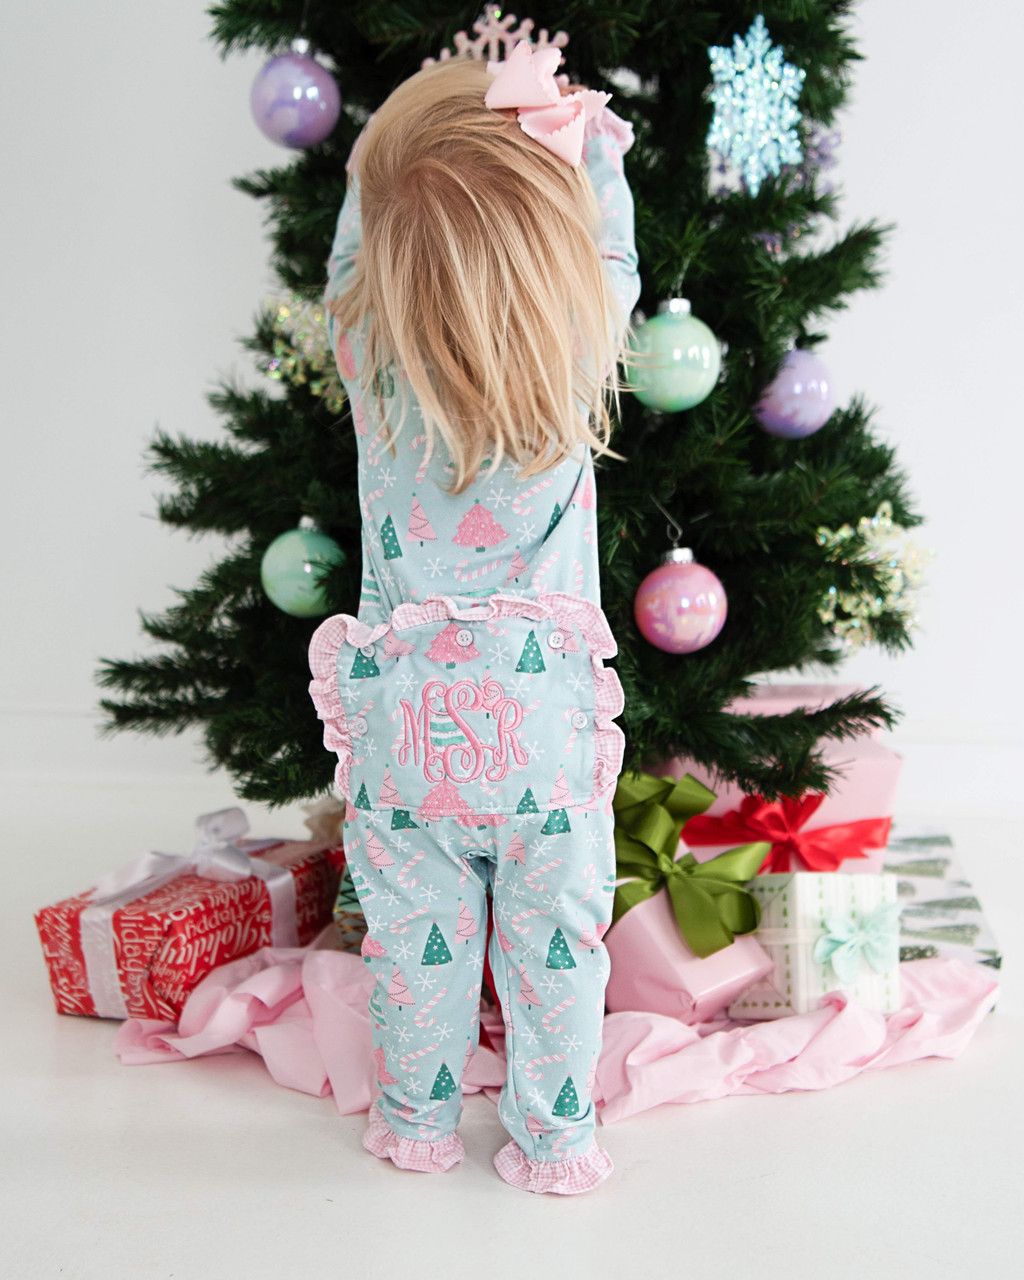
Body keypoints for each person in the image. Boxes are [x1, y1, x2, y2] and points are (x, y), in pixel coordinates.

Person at [307, 44, 640, 1195]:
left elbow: (358, 243)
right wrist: (584, 141)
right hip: (542, 736)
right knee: (558, 950)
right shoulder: (579, 342)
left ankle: (416, 1124)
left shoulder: (369, 356)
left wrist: (379, 165)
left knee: (416, 942)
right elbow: (612, 249)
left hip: (406, 731)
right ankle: (554, 1142)